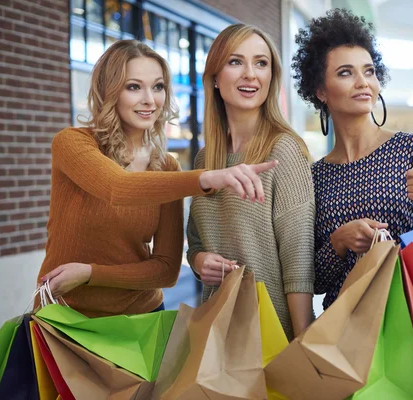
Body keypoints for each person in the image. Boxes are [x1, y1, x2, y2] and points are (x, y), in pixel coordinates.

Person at [38, 40, 277, 316]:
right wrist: (208, 178)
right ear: (109, 91)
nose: (150, 100)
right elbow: (118, 187)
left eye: (158, 87)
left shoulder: (166, 168)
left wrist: (91, 273)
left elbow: (165, 270)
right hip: (66, 317)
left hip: (141, 322)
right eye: (133, 87)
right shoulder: (72, 143)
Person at [292, 9, 413, 309]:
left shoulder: (412, 149)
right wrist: (338, 242)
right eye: (346, 73)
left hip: (411, 320)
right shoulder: (313, 178)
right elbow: (313, 282)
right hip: (343, 333)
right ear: (320, 91)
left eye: (369, 71)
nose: (362, 82)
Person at [186, 24, 315, 339]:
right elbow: (196, 243)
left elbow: (298, 263)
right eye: (235, 62)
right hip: (218, 335)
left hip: (271, 338)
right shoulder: (206, 161)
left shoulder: (283, 149)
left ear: (272, 77)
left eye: (261, 63)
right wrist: (201, 262)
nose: (250, 74)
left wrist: (302, 347)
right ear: (215, 77)